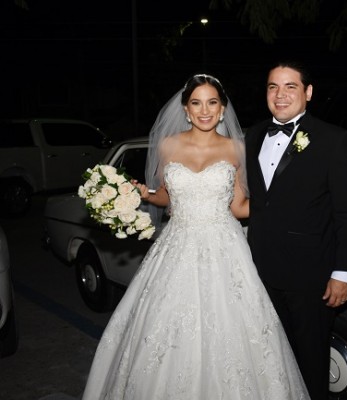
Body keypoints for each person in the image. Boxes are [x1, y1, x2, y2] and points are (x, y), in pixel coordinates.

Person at [81, 74, 309, 399]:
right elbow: (167, 197)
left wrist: (278, 202)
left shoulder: (236, 148)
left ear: (222, 108)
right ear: (186, 109)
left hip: (225, 247)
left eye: (212, 102)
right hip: (177, 245)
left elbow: (240, 207)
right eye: (196, 103)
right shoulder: (167, 145)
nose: (205, 110)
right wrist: (144, 194)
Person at [245, 61, 347, 400]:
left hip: (310, 278)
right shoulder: (252, 136)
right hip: (259, 273)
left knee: (310, 363)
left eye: (290, 87)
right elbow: (250, 202)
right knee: (270, 360)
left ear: (308, 93)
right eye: (272, 87)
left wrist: (343, 274)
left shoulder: (333, 139)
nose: (280, 95)